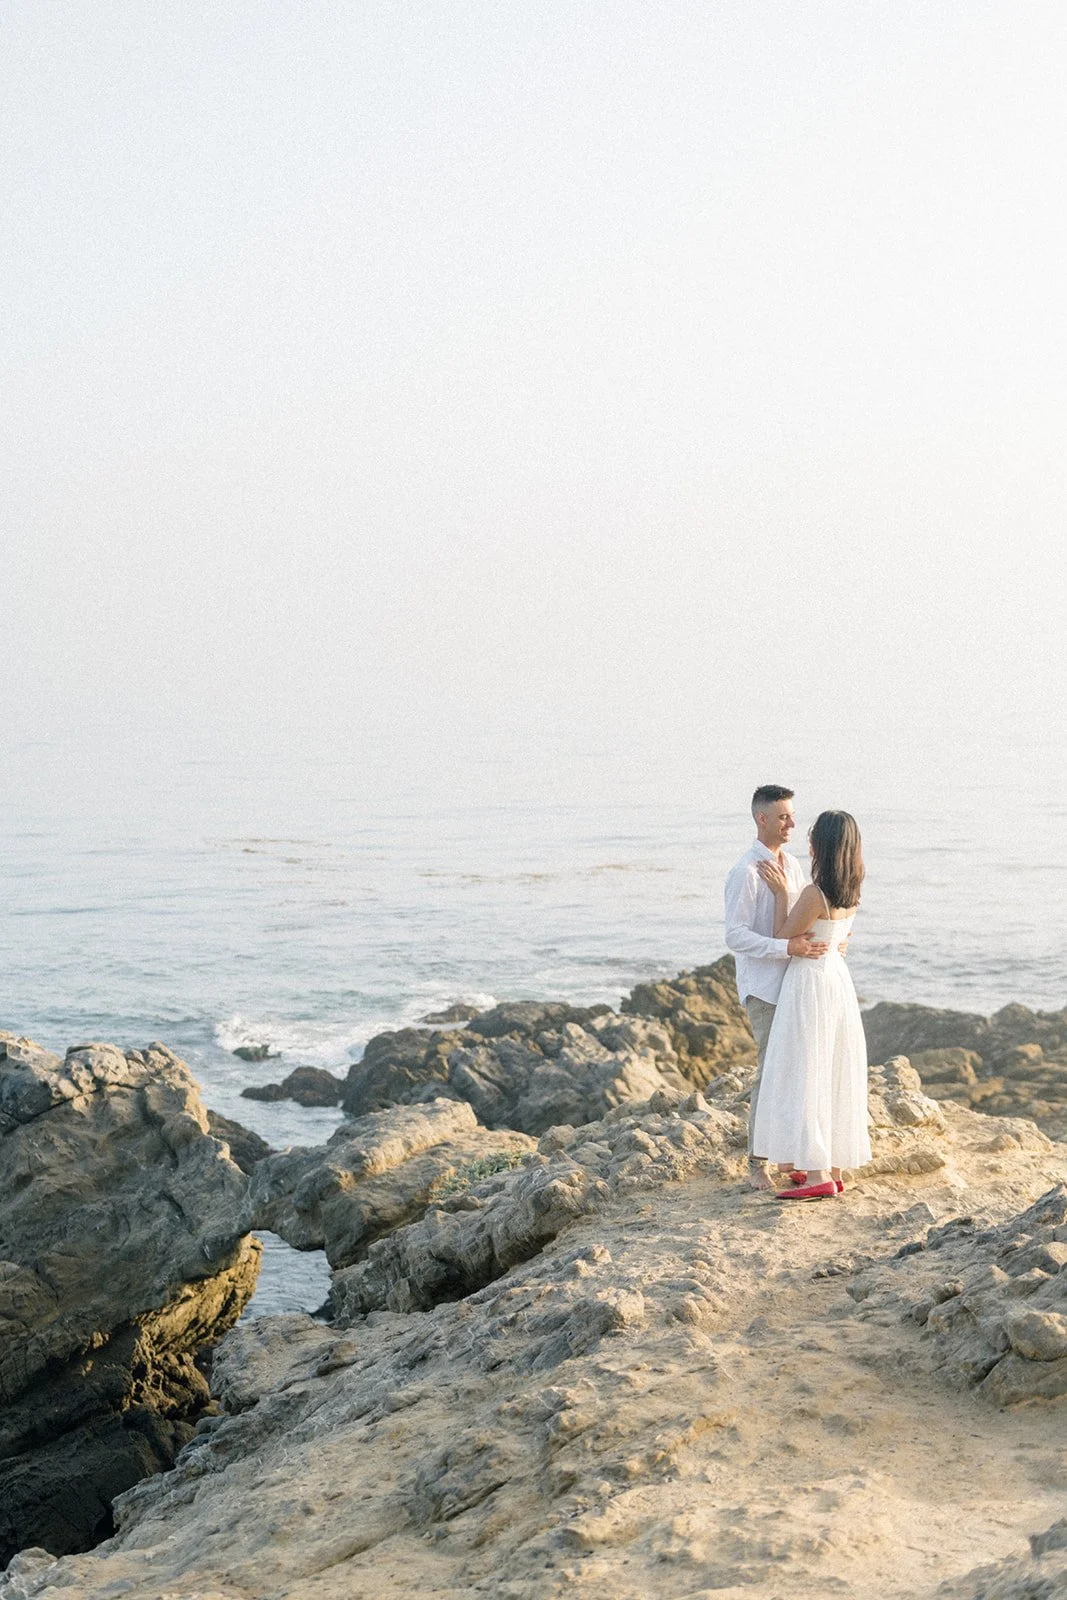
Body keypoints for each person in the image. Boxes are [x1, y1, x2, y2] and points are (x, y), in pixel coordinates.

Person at [750, 810, 872, 1200]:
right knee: (832, 1068)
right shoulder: (852, 891)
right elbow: (837, 937)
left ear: (822, 845)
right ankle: (832, 1169)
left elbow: (782, 939)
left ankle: (819, 1174)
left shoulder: (814, 894)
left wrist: (781, 895)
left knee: (807, 1070)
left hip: (810, 982)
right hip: (837, 979)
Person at [724, 785, 830, 1192]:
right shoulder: (745, 872)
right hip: (764, 989)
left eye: (792, 816)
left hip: (796, 983)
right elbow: (735, 936)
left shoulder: (793, 866)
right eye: (784, 816)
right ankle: (757, 1165)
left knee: (795, 1073)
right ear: (762, 819)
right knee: (770, 1075)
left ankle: (791, 1157)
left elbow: (799, 919)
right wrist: (786, 948)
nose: (792, 824)